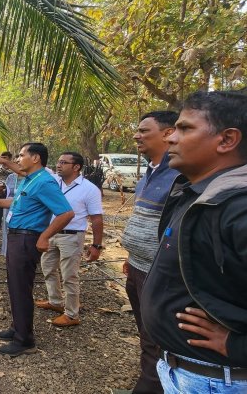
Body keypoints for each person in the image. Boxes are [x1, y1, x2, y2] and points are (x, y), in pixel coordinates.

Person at [140, 91, 247, 393]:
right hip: (186, 372)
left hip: (217, 381)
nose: (171, 138)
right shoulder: (197, 193)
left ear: (226, 140)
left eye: (185, 128)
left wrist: (238, 346)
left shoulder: (237, 207)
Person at [0, 142, 74, 357]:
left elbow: (66, 213)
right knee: (15, 286)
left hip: (26, 239)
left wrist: (44, 236)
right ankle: (17, 328)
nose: (18, 159)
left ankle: (25, 340)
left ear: (36, 158)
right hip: (15, 237)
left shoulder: (44, 182)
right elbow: (15, 203)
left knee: (21, 288)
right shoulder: (29, 179)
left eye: (22, 155)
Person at [119, 110, 179, 394]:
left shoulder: (179, 176)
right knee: (145, 333)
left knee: (157, 338)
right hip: (138, 266)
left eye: (144, 131)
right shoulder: (149, 174)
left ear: (168, 133)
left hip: (159, 272)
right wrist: (132, 259)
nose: (137, 135)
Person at [35, 152, 104, 327]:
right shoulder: (53, 183)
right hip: (51, 233)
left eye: (64, 162)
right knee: (48, 268)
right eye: (58, 162)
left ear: (76, 167)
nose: (59, 165)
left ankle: (72, 314)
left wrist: (96, 245)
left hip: (72, 236)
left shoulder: (89, 189)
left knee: (69, 276)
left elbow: (96, 219)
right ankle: (55, 301)